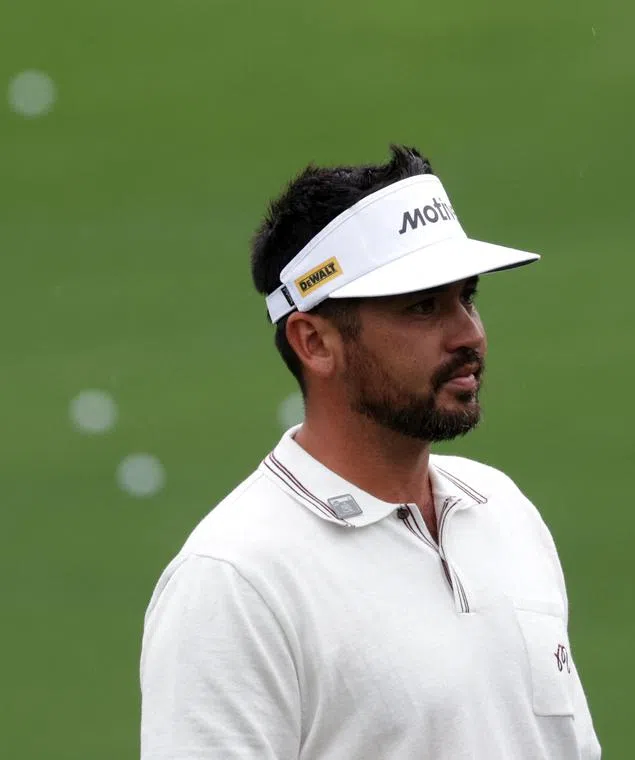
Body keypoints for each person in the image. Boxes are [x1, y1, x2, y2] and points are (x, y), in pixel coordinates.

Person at [139, 144, 602, 759]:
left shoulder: (505, 514)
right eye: (421, 307)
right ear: (314, 342)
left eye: (468, 297)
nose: (469, 334)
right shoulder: (235, 583)